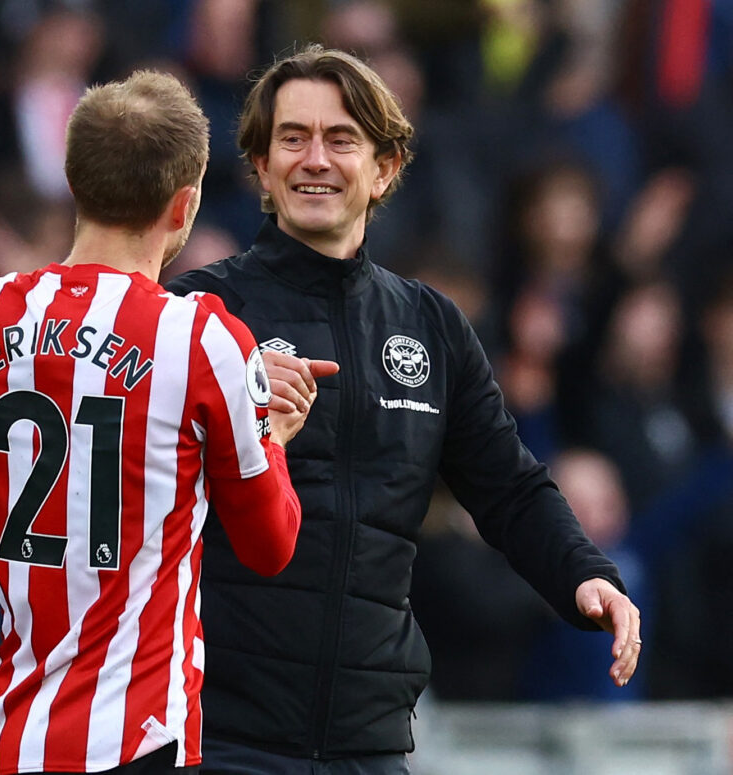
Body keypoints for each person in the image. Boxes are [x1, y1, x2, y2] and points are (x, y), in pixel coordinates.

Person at [0, 70, 331, 775]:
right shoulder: (201, 341)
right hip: (140, 741)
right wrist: (274, 437)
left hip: (11, 742)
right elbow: (269, 545)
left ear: (74, 183)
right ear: (184, 204)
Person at [165, 45, 642, 774]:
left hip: (372, 740)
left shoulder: (431, 326)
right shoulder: (196, 312)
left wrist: (583, 572)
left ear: (385, 168)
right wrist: (231, 397)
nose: (314, 158)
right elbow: (132, 485)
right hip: (220, 737)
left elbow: (509, 487)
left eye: (341, 139)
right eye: (292, 138)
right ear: (259, 167)